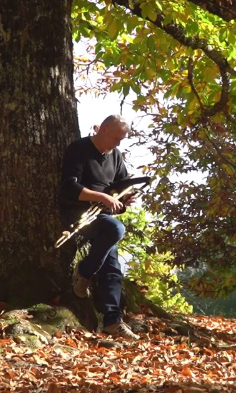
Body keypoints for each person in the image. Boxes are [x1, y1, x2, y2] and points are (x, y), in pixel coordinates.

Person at [58, 115, 138, 340]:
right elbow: (69, 187)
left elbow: (119, 188)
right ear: (103, 130)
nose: (118, 144)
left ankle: (113, 321)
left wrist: (124, 200)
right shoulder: (79, 149)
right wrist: (101, 197)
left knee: (113, 268)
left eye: (121, 139)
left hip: (103, 216)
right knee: (116, 230)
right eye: (116, 138)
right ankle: (83, 272)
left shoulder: (116, 156)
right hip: (78, 213)